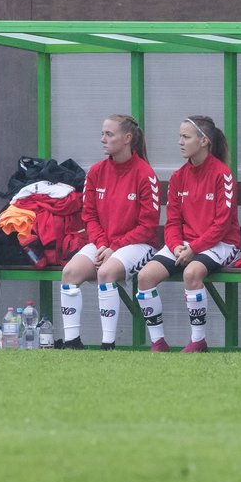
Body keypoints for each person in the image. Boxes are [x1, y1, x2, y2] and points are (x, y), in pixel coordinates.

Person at [134, 116, 240, 353]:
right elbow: (172, 222)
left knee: (192, 273)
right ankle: (158, 342)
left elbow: (222, 225)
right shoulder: (178, 177)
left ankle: (198, 341)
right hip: (184, 245)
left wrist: (195, 248)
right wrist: (176, 247)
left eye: (186, 136)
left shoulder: (222, 175)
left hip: (222, 244)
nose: (180, 142)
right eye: (180, 136)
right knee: (144, 277)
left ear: (203, 141)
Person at [59, 114, 160, 350]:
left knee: (106, 272)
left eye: (109, 134)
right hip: (104, 243)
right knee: (70, 272)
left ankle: (108, 344)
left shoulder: (145, 175)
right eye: (102, 134)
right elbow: (89, 216)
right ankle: (72, 342)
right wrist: (103, 244)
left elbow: (148, 226)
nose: (103, 139)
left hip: (139, 244)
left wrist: (115, 247)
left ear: (127, 138)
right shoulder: (95, 172)